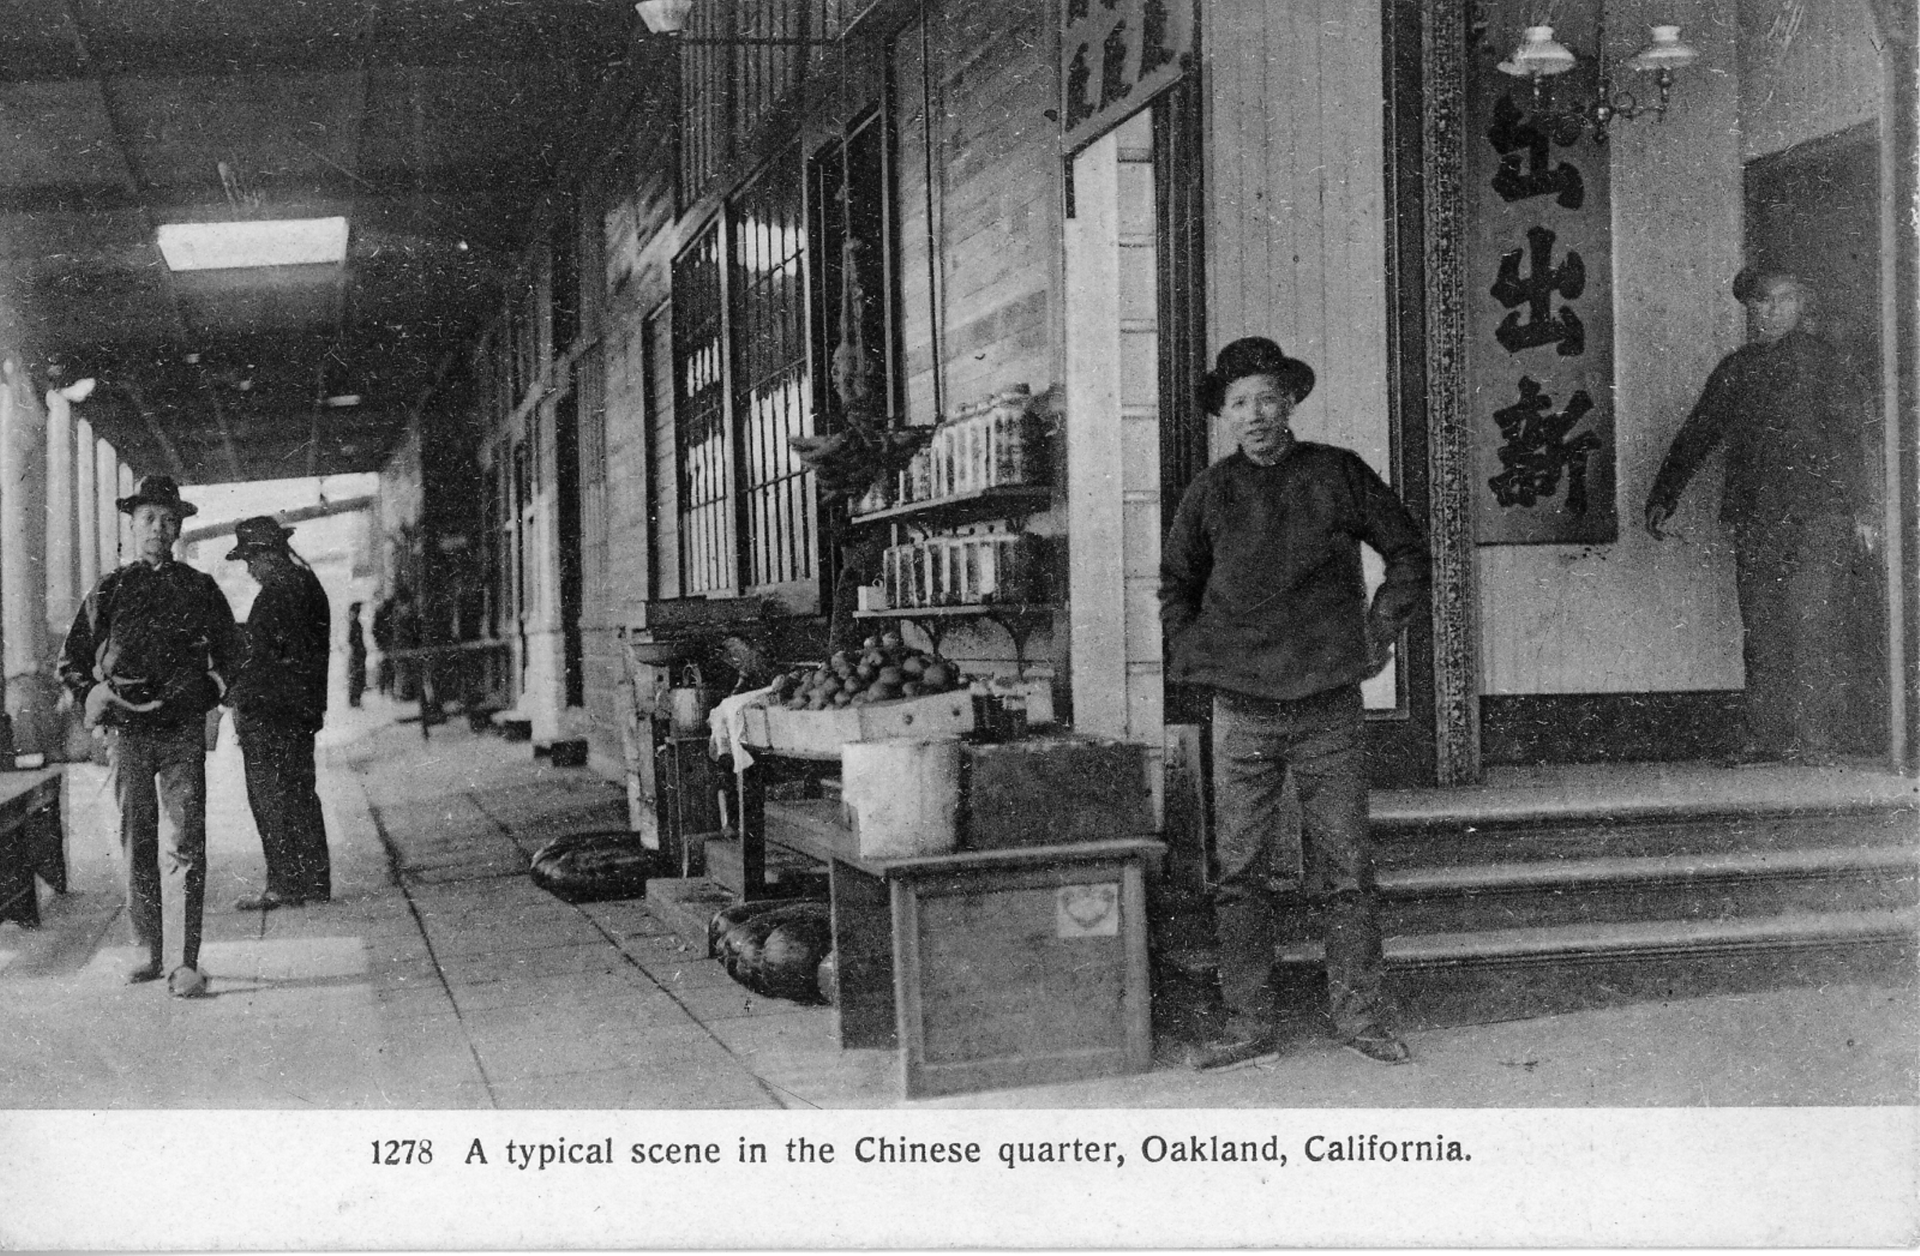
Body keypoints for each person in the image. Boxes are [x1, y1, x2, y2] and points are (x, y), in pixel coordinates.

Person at [1160, 337, 1431, 1069]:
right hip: (1241, 712)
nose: (1253, 414)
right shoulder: (1209, 493)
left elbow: (1408, 552)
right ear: (1225, 414)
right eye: (1238, 402)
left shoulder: (1337, 474)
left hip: (1327, 707)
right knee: (1240, 871)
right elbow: (1175, 588)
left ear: (1290, 403)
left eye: (1266, 398)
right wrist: (1201, 661)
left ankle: (1361, 1018)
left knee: (1346, 867)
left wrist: (1378, 632)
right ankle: (1248, 1026)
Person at [1645, 269, 1880, 766]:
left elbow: (1848, 440)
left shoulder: (1828, 363)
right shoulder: (1736, 369)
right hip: (1756, 516)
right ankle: (1767, 736)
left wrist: (1863, 510)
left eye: (1775, 301)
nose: (1762, 311)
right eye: (1755, 303)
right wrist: (1665, 494)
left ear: (1801, 302)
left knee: (1815, 622)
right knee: (1763, 625)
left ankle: (1817, 740)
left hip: (1821, 516)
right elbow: (1698, 433)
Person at [58, 475, 234, 997]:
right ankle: (147, 952)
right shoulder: (111, 589)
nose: (158, 528)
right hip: (128, 734)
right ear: (133, 527)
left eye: (167, 519)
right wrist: (95, 694)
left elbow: (232, 654)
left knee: (185, 843)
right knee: (136, 841)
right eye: (148, 519)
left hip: (180, 731)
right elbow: (71, 662)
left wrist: (211, 688)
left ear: (180, 526)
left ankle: (184, 962)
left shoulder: (200, 588)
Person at [225, 517, 333, 911]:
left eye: (252, 560)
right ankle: (315, 881)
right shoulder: (309, 584)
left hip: (269, 715)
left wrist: (233, 694)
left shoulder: (274, 595)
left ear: (269, 554)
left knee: (270, 799)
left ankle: (283, 884)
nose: (250, 570)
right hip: (301, 711)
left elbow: (261, 658)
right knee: (301, 793)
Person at [370, 594, 395, 696]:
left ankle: (385, 688)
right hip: (385, 644)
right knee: (385, 666)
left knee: (387, 667)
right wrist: (380, 642)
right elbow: (375, 629)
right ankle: (384, 688)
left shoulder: (381, 613)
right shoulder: (381, 614)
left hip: (386, 643)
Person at [345, 602, 367, 708]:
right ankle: (354, 699)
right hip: (357, 654)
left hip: (358, 654)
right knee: (356, 677)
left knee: (357, 677)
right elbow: (352, 641)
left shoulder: (355, 624)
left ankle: (355, 699)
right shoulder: (354, 624)